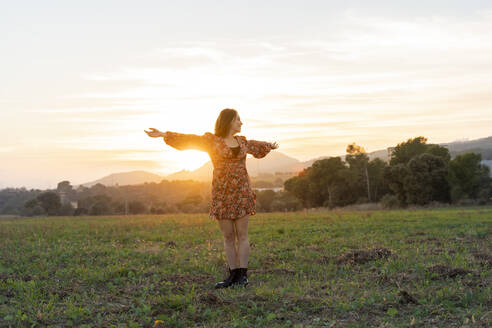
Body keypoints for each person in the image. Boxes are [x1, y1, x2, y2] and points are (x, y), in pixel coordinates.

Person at [144, 108, 279, 289]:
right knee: (229, 236)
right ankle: (232, 276)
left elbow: (259, 147)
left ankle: (242, 276)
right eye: (238, 119)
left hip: (242, 193)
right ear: (228, 121)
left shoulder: (243, 142)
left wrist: (269, 145)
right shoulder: (211, 141)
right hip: (222, 195)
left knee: (243, 235)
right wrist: (164, 134)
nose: (241, 123)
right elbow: (190, 139)